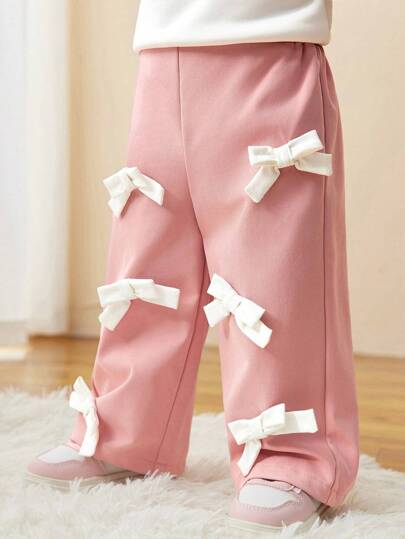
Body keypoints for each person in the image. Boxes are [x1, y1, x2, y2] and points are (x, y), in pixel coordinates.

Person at [27, 0, 359, 532]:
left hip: (268, 43)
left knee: (272, 269)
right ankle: (128, 433)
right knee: (148, 258)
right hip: (163, 50)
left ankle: (292, 455)